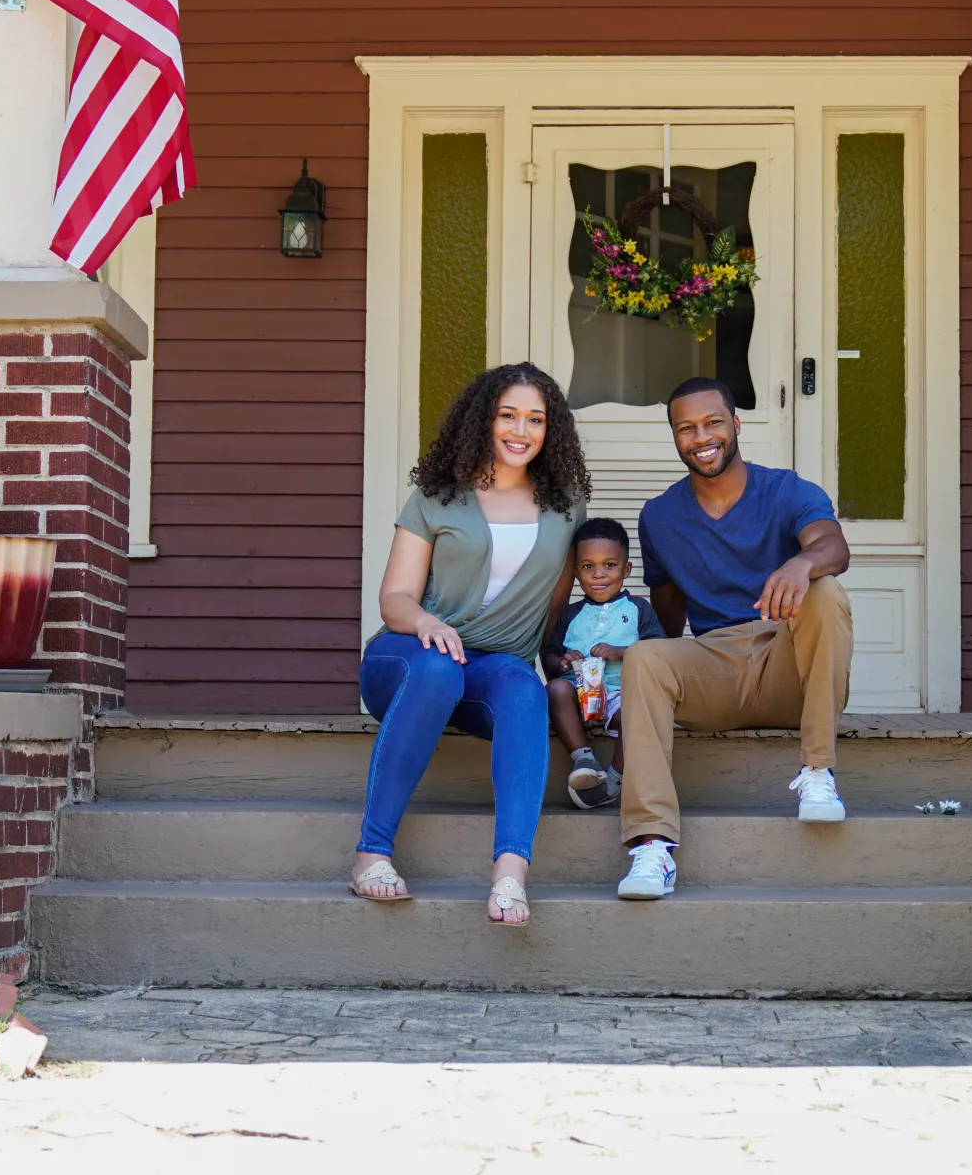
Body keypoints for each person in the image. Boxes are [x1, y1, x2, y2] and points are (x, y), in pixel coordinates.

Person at [349, 362, 588, 926]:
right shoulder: (437, 497)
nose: (521, 430)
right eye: (508, 415)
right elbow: (395, 598)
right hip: (407, 660)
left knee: (524, 690)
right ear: (483, 420)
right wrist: (426, 625)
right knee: (438, 670)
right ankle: (371, 853)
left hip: (489, 671)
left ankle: (511, 874)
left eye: (536, 418)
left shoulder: (565, 506)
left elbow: (554, 607)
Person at [615, 376, 854, 900]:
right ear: (674, 437)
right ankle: (651, 846)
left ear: (736, 424)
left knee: (825, 590)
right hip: (715, 670)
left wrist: (801, 563)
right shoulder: (659, 516)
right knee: (645, 657)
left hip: (786, 663)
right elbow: (668, 612)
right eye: (686, 428)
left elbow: (833, 546)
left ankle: (817, 772)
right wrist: (636, 684)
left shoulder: (786, 489)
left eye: (713, 422)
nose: (701, 437)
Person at [540, 517, 667, 810]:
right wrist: (562, 660)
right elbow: (549, 654)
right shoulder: (571, 614)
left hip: (620, 695)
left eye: (609, 565)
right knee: (555, 689)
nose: (598, 575)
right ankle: (583, 759)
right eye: (588, 567)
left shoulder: (638, 609)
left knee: (637, 711)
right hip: (579, 695)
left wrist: (622, 651)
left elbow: (660, 649)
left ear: (626, 569)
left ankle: (613, 780)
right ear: (576, 572)